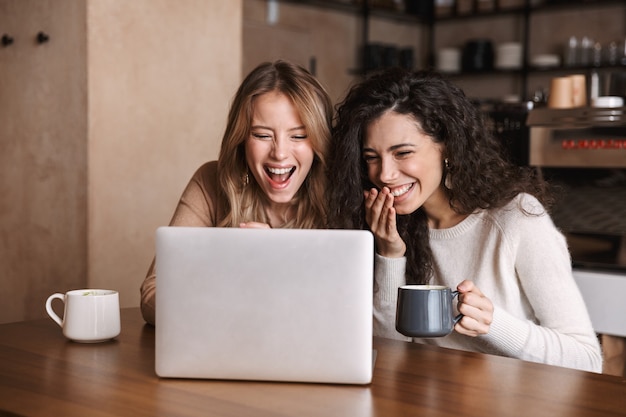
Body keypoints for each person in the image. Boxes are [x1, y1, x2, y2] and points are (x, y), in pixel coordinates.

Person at [328, 68, 603, 373]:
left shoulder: (517, 218)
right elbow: (387, 351)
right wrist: (390, 254)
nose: (384, 174)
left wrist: (494, 323)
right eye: (371, 157)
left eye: (402, 153)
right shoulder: (384, 226)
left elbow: (587, 358)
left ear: (447, 146)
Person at [140, 60, 333, 325]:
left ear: (319, 143)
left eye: (298, 136)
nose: (279, 153)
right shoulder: (210, 182)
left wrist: (279, 260)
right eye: (262, 135)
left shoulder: (340, 198)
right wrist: (232, 268)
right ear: (241, 139)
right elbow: (152, 297)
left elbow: (337, 315)